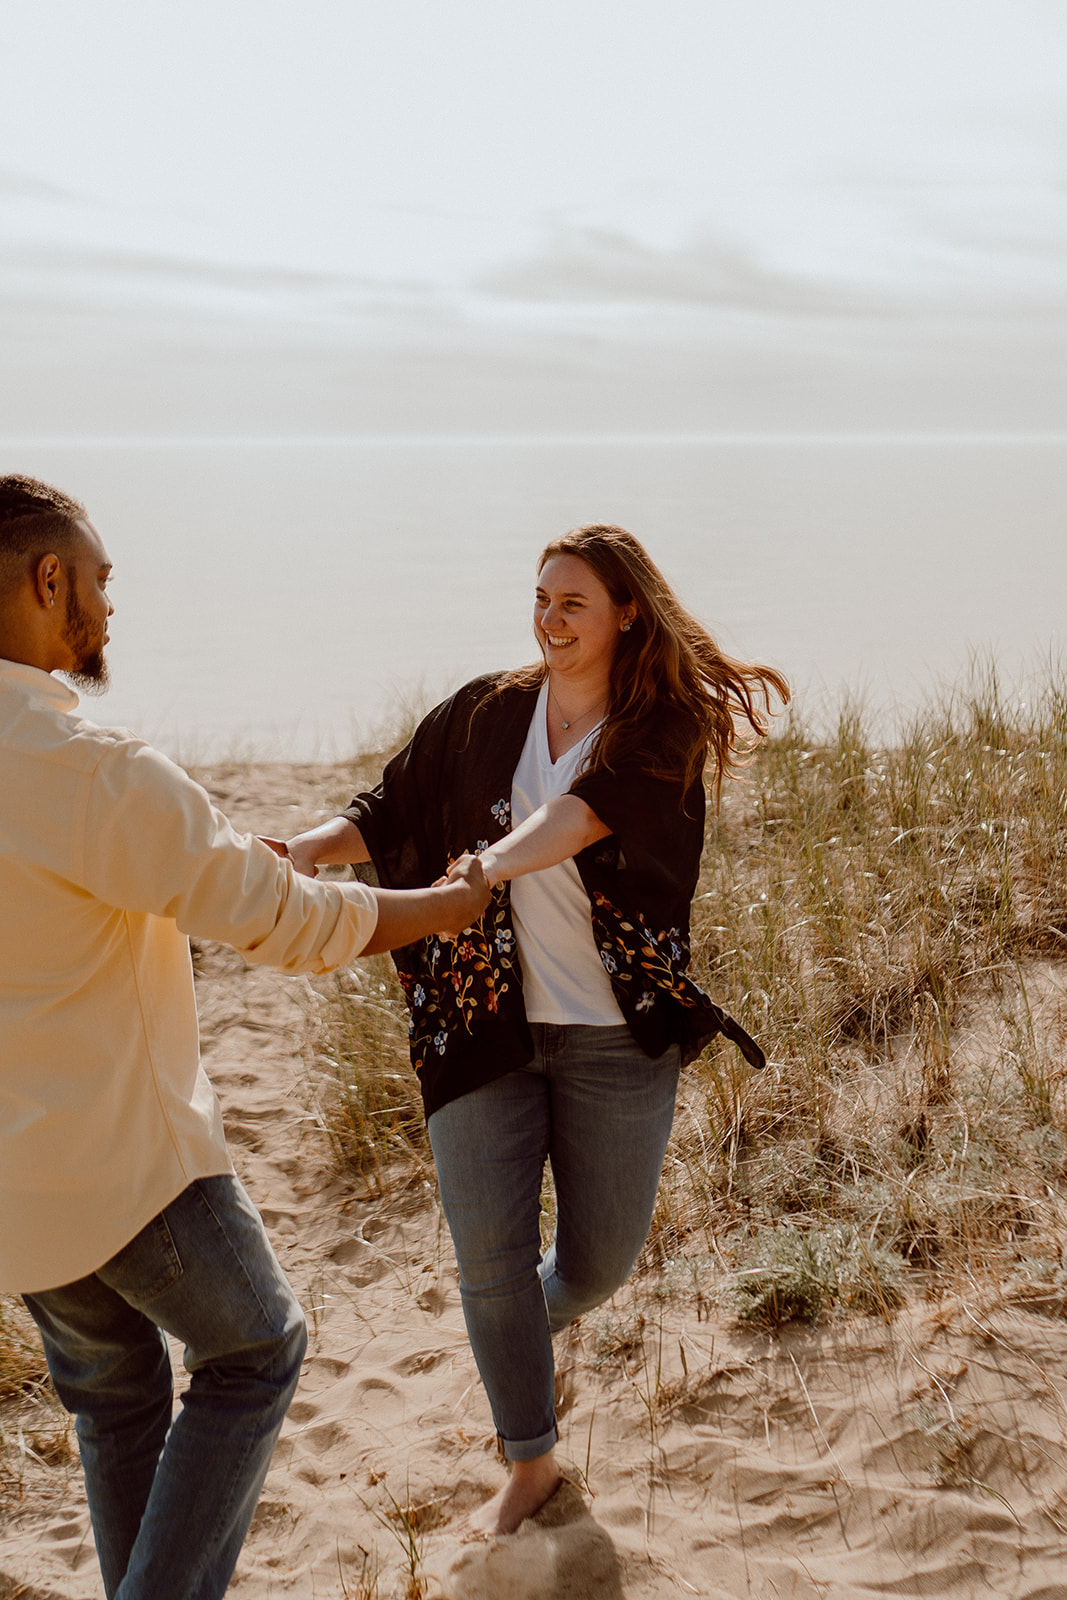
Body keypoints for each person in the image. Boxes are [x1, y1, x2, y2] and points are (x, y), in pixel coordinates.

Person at [0, 474, 490, 1600]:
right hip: (125, 1165)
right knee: (256, 1350)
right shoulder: (95, 772)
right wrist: (438, 905)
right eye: (100, 578)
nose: (112, 604)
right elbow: (289, 926)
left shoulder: (85, 783)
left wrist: (212, 869)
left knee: (117, 1403)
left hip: (18, 1192)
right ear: (46, 577)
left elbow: (94, 892)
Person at [281, 523, 788, 1537]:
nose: (549, 620)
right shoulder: (486, 711)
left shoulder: (659, 728)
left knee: (595, 1265)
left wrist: (487, 866)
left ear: (625, 613)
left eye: (572, 604)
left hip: (614, 1034)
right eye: (541, 599)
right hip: (481, 1022)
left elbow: (580, 819)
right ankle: (530, 1457)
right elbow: (387, 806)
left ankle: (510, 1334)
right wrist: (296, 849)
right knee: (490, 1260)